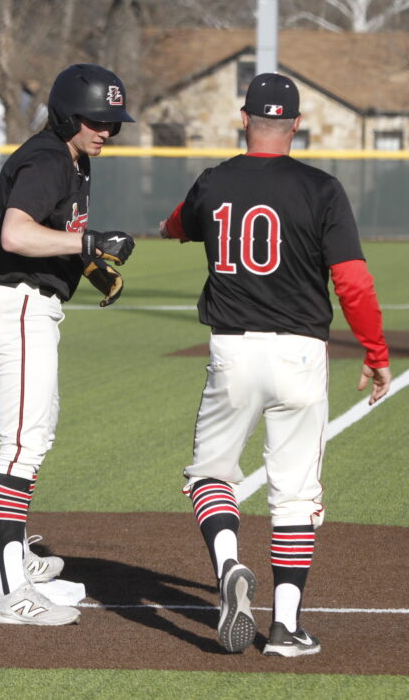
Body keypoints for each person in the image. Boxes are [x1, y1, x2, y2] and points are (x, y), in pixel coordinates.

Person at [159, 73, 392, 657]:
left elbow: (175, 226)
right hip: (299, 353)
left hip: (231, 350)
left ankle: (230, 564)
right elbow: (353, 283)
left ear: (244, 119)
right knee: (293, 496)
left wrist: (183, 224)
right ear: (295, 124)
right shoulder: (322, 188)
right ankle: (285, 629)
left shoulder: (214, 181)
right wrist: (376, 352)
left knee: (210, 475)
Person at [0, 63, 136, 625]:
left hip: (32, 307)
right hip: (17, 307)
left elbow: (46, 238)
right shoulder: (47, 157)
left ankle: (14, 561)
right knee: (20, 446)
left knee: (34, 438)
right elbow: (14, 233)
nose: (107, 131)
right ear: (69, 113)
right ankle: (9, 591)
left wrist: (88, 266)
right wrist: (88, 240)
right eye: (97, 119)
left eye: (114, 122)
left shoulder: (72, 157)